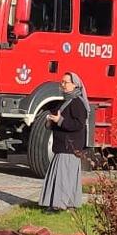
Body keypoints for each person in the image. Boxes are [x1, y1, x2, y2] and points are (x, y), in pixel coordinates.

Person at [38, 72, 89, 212]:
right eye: (62, 82)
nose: (63, 85)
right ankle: (65, 204)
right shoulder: (64, 102)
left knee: (64, 178)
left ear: (75, 85)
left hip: (70, 146)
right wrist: (50, 121)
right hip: (63, 146)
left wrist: (59, 121)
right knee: (65, 177)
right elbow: (58, 119)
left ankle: (59, 205)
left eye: (66, 82)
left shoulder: (78, 103)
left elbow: (78, 125)